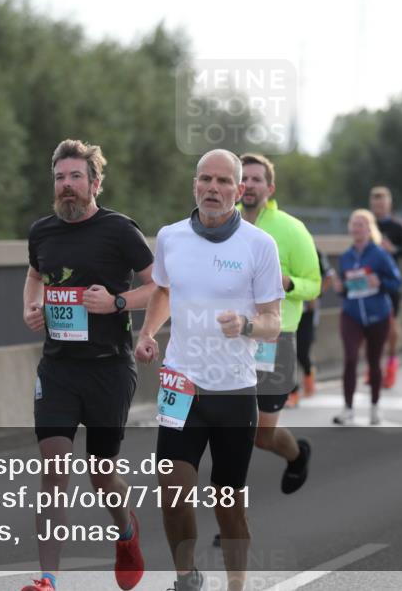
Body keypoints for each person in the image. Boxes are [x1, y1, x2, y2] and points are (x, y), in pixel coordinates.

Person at [135, 149, 284, 591]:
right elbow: (163, 290)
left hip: (235, 391)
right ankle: (187, 577)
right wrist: (147, 333)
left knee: (228, 502)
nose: (213, 189)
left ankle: (237, 583)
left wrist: (247, 326)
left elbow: (274, 324)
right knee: (172, 490)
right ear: (194, 185)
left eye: (223, 182)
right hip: (182, 384)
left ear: (240, 191)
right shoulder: (170, 237)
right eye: (206, 180)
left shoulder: (260, 245)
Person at [21, 140, 156, 591]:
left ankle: (126, 529)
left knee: (101, 470)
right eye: (60, 178)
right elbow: (35, 274)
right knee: (54, 465)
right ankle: (47, 579)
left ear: (95, 183)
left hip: (109, 368)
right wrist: (32, 306)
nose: (67, 186)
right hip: (59, 368)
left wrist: (116, 302)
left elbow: (159, 288)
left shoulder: (119, 231)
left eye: (76, 177)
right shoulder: (42, 233)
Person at [237, 153, 320, 492]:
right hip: (234, 339)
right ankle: (232, 517)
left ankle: (297, 454)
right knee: (233, 431)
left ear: (269, 187)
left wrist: (288, 284)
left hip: (276, 340)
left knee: (262, 435)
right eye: (244, 178)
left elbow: (314, 283)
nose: (249, 184)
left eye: (257, 179)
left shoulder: (291, 229)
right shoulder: (224, 226)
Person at [332, 209, 402, 426]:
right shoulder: (345, 257)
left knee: (374, 362)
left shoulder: (380, 255)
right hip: (351, 314)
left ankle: (374, 407)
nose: (356, 228)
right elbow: (346, 289)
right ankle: (348, 409)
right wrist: (340, 287)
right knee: (350, 359)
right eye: (353, 224)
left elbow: (396, 282)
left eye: (361, 224)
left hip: (377, 315)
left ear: (369, 229)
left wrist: (379, 282)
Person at [369, 187, 402, 388]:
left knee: (390, 327)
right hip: (369, 283)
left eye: (382, 203)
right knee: (370, 328)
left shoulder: (397, 227)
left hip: (390, 284)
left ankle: (391, 364)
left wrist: (393, 249)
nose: (379, 206)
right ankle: (374, 369)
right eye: (375, 203)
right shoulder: (367, 225)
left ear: (389, 204)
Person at [290, 249, 334, 405]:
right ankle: (292, 392)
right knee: (288, 351)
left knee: (302, 350)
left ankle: (309, 373)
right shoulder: (279, 247)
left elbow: (329, 277)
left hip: (307, 311)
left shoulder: (315, 251)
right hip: (286, 309)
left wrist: (316, 294)